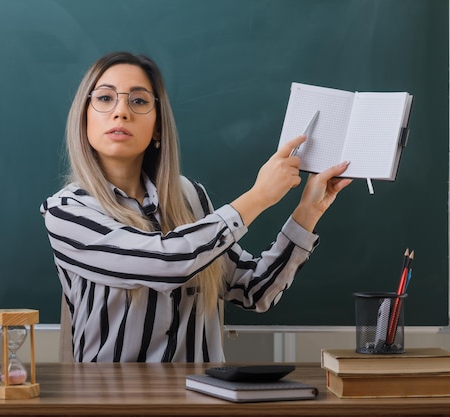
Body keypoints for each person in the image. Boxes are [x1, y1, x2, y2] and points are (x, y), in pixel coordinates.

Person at [40, 51, 352, 363]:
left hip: (200, 399)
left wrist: (308, 211)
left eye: (138, 101)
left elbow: (255, 290)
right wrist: (258, 197)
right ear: (84, 119)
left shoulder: (190, 196)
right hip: (112, 403)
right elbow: (166, 263)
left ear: (158, 128)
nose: (121, 111)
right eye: (105, 98)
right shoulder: (67, 211)